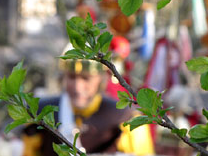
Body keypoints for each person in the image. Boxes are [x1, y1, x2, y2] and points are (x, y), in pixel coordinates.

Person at [22, 59, 154, 156]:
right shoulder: (40, 112)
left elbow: (143, 153)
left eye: (86, 78)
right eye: (72, 77)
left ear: (101, 79)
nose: (77, 87)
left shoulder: (125, 116)